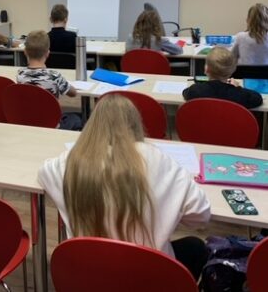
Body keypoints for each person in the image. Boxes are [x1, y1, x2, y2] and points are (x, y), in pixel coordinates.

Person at [38, 94, 210, 280]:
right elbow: (200, 215)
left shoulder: (69, 162)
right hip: (149, 276)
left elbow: (43, 173)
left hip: (90, 274)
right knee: (196, 247)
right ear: (136, 124)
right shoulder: (160, 160)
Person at [17, 30, 82, 130]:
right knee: (78, 118)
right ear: (48, 53)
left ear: (25, 52)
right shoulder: (54, 76)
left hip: (29, 122)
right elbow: (73, 93)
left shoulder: (20, 74)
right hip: (53, 125)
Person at [183, 46, 262, 109]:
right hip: (230, 125)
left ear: (206, 70)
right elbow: (258, 98)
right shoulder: (239, 95)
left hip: (204, 124)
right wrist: (238, 87)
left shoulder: (196, 90)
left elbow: (185, 92)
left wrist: (202, 85)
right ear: (232, 70)